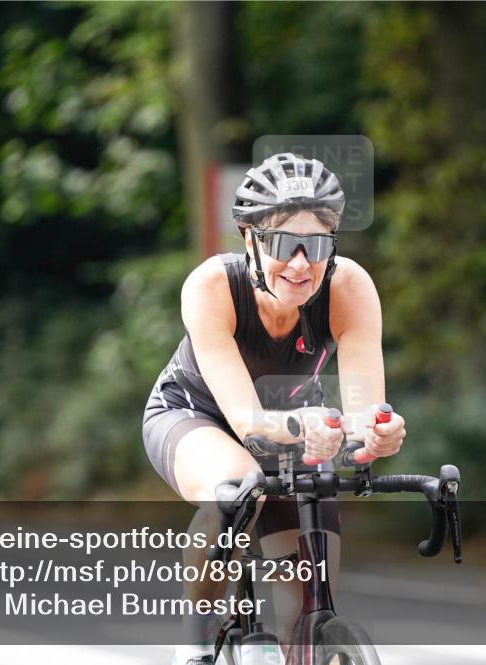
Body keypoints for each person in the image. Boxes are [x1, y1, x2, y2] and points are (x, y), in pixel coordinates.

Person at [141, 153, 407, 665]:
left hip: (297, 422)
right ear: (251, 241)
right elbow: (244, 422)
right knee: (237, 488)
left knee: (305, 591)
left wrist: (375, 432)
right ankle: (194, 641)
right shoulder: (212, 286)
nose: (302, 264)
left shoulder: (348, 287)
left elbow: (364, 409)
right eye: (285, 244)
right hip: (197, 414)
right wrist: (311, 429)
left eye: (318, 245)